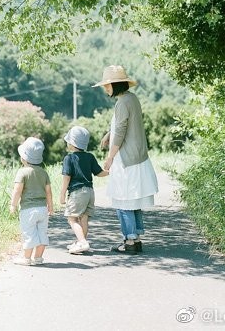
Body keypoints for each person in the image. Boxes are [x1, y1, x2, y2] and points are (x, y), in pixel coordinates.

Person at [93, 65, 159, 254]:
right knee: (133, 201)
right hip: (136, 156)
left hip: (125, 159)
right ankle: (135, 239)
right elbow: (122, 125)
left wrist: (109, 158)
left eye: (107, 85)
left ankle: (129, 242)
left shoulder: (122, 102)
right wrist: (108, 134)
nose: (106, 89)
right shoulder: (131, 99)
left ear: (116, 84)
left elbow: (121, 131)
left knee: (123, 201)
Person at [59, 125, 108, 254]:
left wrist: (62, 194)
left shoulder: (68, 158)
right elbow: (99, 173)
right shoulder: (90, 157)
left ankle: (82, 242)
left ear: (71, 143)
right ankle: (81, 242)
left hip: (77, 193)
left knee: (72, 219)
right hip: (90, 192)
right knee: (84, 219)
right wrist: (110, 171)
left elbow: (66, 178)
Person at [10, 137, 54, 265]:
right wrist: (50, 207)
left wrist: (13, 205)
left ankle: (27, 259)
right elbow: (48, 192)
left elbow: (17, 190)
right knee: (42, 233)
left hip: (28, 210)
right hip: (42, 209)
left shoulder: (22, 172)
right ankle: (38, 258)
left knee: (29, 234)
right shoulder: (44, 173)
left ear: (23, 158)